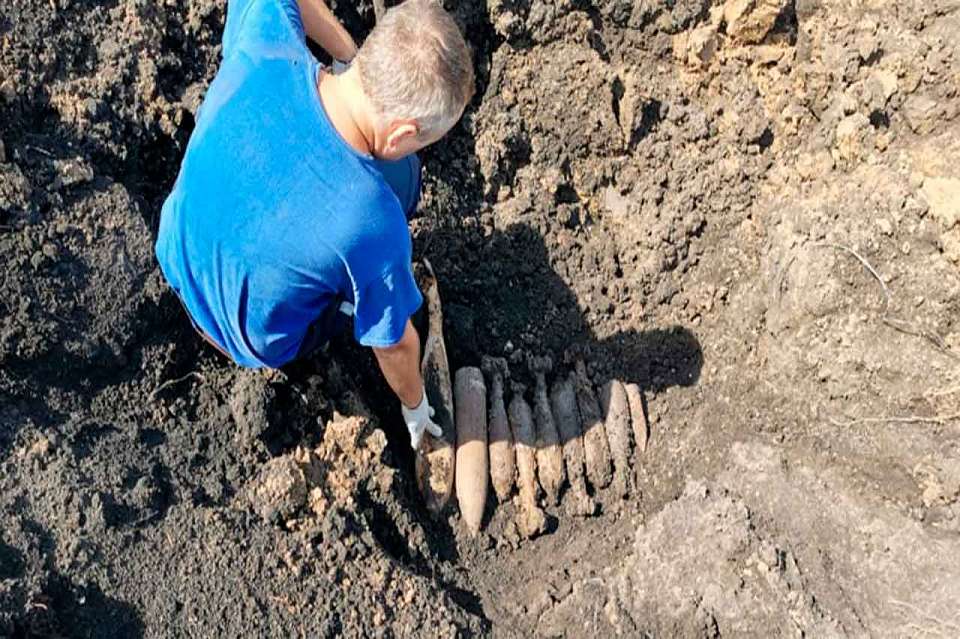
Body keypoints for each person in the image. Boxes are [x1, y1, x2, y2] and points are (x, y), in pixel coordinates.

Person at [154, 0, 475, 449]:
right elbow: (395, 346)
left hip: (176, 251)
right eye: (423, 139)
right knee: (398, 188)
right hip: (247, 339)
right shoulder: (373, 220)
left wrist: (347, 52)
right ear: (401, 134)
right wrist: (415, 406)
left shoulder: (265, 42)